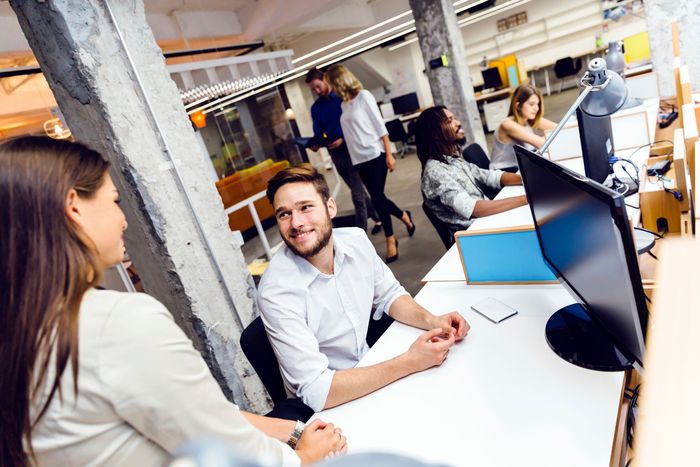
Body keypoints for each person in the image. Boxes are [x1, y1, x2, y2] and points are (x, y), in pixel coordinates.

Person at [0, 137, 346, 466]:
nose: (123, 219)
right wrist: (301, 457)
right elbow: (218, 445)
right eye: (114, 200)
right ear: (74, 207)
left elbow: (191, 414)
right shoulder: (119, 324)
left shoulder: (21, 328)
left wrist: (292, 430)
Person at [257, 164, 469, 413]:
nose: (296, 223)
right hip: (332, 408)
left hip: (371, 366)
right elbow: (318, 390)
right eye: (284, 214)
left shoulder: (356, 241)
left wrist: (432, 320)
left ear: (330, 207)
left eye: (305, 207)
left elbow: (390, 295)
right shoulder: (276, 292)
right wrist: (410, 362)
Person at [324, 64, 414, 263]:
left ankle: (391, 239)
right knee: (378, 197)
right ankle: (404, 216)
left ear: (339, 82)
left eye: (331, 84)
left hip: (375, 155)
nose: (330, 88)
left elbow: (380, 127)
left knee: (377, 197)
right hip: (358, 159)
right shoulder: (343, 105)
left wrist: (389, 154)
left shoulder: (364, 97)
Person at [416, 106, 528, 235]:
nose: (457, 123)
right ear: (435, 135)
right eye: (449, 121)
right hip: (476, 234)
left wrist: (527, 179)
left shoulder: (452, 159)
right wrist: (525, 199)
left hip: (488, 222)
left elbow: (488, 176)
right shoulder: (435, 173)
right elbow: (473, 209)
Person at [305, 68, 382, 234]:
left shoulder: (343, 99)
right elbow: (318, 132)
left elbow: (357, 124)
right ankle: (379, 217)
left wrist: (343, 139)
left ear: (325, 80)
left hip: (354, 150)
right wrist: (316, 142)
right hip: (336, 155)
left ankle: (360, 236)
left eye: (318, 86)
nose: (316, 91)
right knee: (359, 192)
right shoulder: (315, 108)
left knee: (357, 196)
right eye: (313, 89)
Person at [490, 84, 557, 172]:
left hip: (520, 165)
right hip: (504, 170)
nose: (536, 108)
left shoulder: (528, 118)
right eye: (532, 104)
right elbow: (542, 144)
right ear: (518, 106)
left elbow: (561, 128)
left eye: (538, 104)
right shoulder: (507, 124)